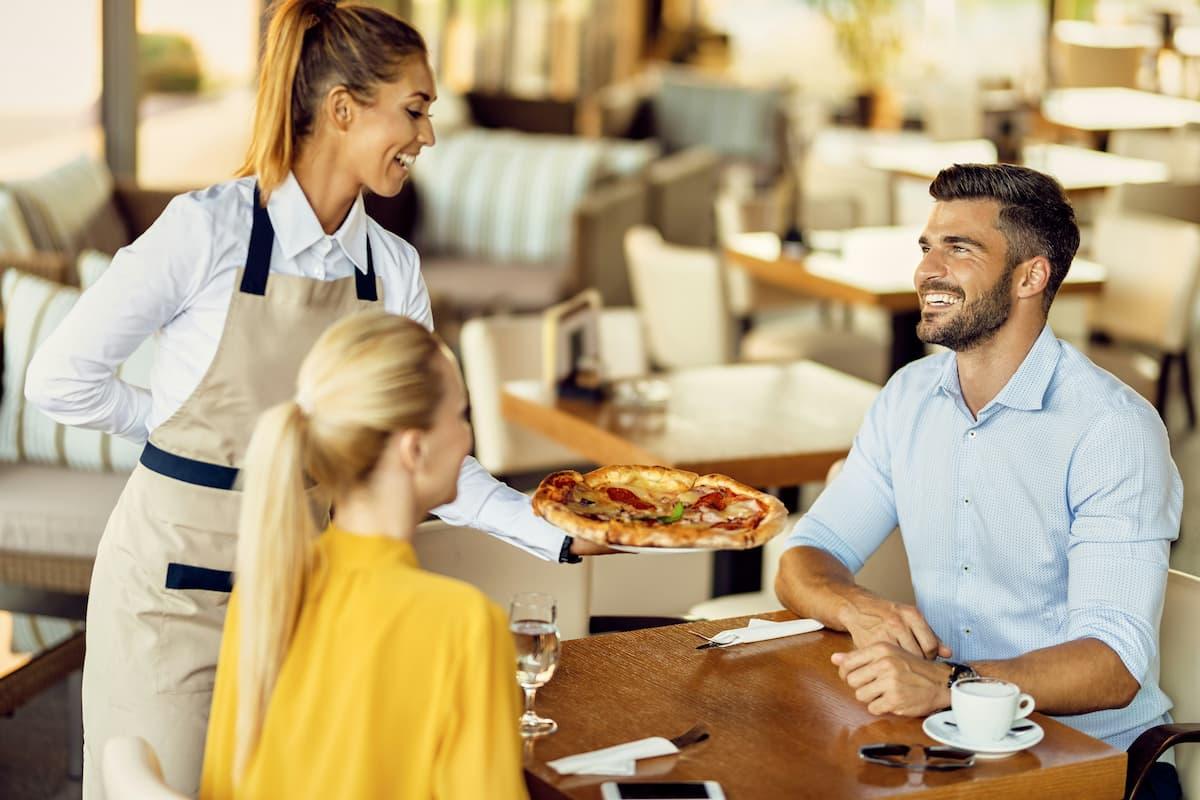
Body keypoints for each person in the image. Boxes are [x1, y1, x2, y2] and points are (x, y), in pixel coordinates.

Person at [23, 2, 598, 794]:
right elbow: (58, 378)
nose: (427, 136)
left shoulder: (390, 271)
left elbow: (423, 455)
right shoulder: (206, 232)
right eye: (415, 109)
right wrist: (172, 429)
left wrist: (559, 532)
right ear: (341, 110)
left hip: (303, 604)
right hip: (170, 601)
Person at [775, 164, 1182, 782]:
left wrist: (947, 683)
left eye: (958, 249)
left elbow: (1114, 666)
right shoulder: (906, 398)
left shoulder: (1113, 430)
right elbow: (805, 555)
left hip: (1095, 765)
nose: (927, 271)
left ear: (1030, 275)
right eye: (927, 247)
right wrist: (856, 608)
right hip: (945, 748)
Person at [199, 311, 526, 799]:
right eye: (460, 415)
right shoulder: (463, 624)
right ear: (414, 450)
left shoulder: (267, 587)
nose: (466, 436)